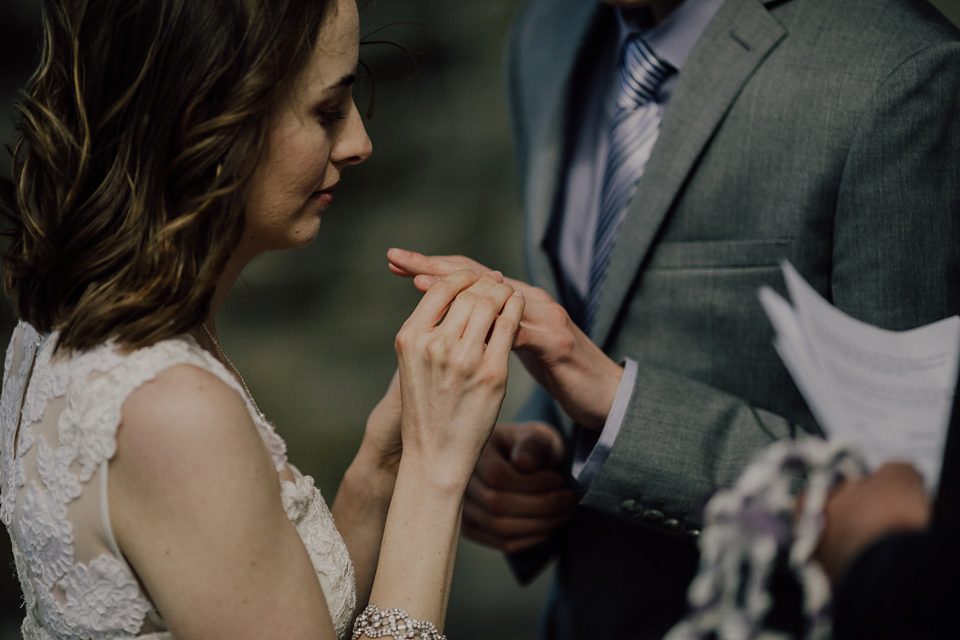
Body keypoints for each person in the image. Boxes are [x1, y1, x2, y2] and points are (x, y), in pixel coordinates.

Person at [386, 0, 960, 637]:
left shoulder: (901, 71)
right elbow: (599, 314)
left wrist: (617, 405)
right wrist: (541, 443)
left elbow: (905, 489)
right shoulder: (546, 33)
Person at [0, 1, 526, 638]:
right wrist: (436, 473)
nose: (360, 143)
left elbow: (274, 607)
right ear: (211, 118)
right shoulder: (171, 407)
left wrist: (382, 466)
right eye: (327, 111)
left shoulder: (59, 324)